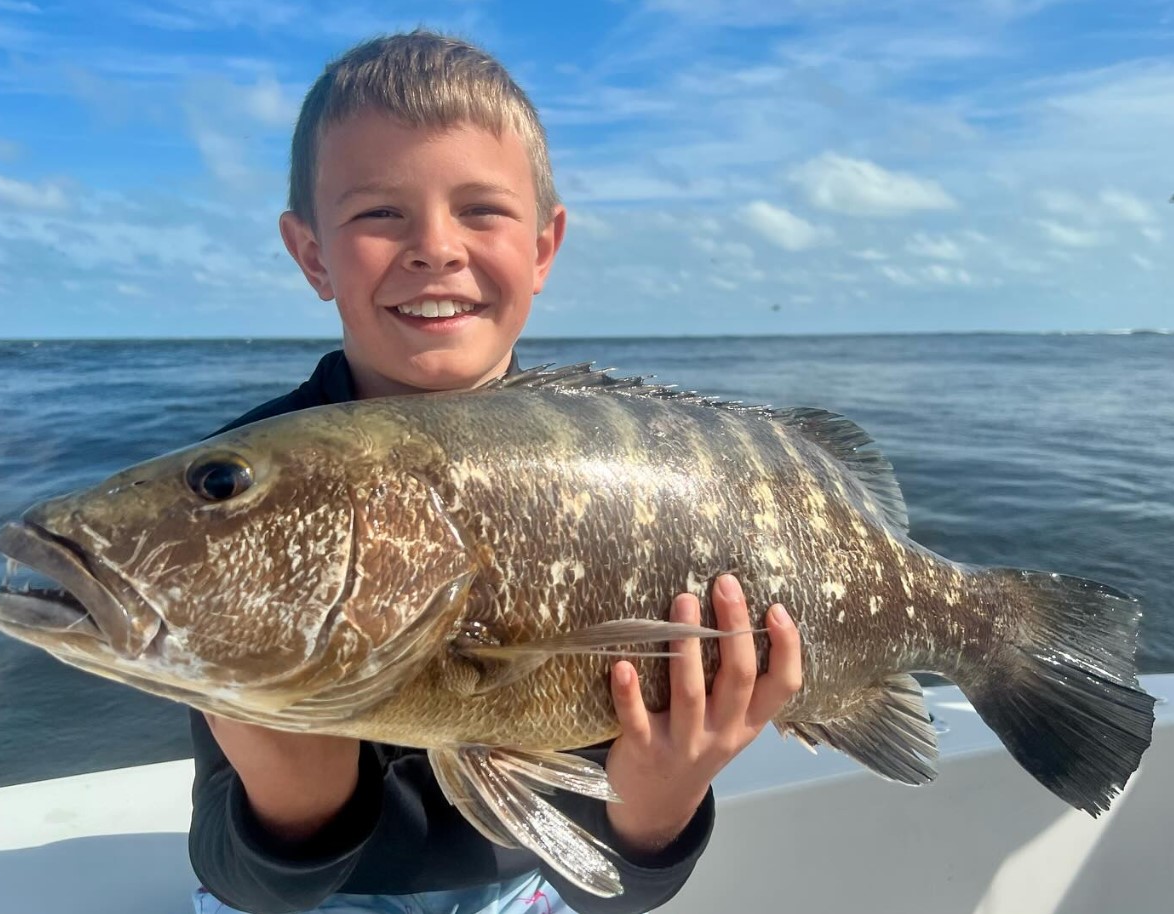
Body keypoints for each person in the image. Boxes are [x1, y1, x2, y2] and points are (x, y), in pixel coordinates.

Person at [188, 29, 803, 914]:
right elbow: (236, 874)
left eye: (481, 210)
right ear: (312, 253)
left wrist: (659, 802)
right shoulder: (254, 481)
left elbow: (610, 894)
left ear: (544, 249)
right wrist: (296, 797)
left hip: (529, 886)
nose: (435, 248)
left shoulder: (609, 470)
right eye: (379, 213)